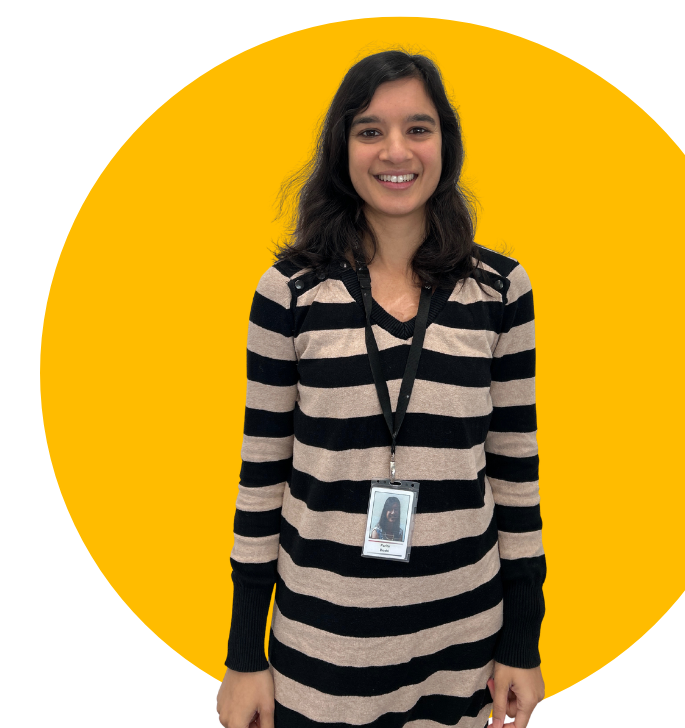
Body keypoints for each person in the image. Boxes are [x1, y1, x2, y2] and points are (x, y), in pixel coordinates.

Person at [216, 49, 546, 728]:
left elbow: (516, 476)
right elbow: (262, 479)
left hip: (465, 644)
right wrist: (244, 654)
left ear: (445, 143)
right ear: (343, 149)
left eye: (418, 128)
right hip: (324, 650)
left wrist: (523, 639)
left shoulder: (501, 290)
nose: (396, 150)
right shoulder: (289, 294)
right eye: (370, 130)